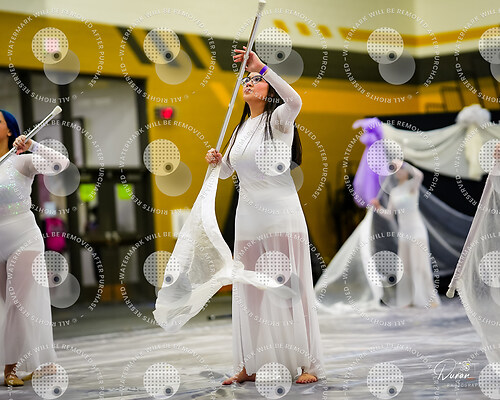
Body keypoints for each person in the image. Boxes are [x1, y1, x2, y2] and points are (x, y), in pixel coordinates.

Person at [206, 48, 323, 385]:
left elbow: (296, 100)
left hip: (281, 215)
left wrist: (262, 67)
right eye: (247, 79)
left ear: (269, 91)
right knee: (250, 293)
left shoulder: (279, 120)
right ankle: (250, 365)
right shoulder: (240, 129)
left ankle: (307, 364)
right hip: (248, 219)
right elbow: (227, 172)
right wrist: (217, 160)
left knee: (289, 288)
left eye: (256, 80)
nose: (249, 82)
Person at [0, 110, 69, 386]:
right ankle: (31, 360)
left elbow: (60, 163)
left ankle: (11, 368)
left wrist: (33, 145)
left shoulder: (22, 161)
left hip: (24, 238)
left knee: (17, 302)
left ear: (9, 130)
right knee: (5, 304)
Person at [371, 162, 440, 308]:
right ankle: (408, 300)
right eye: (397, 170)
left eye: (401, 170)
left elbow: (419, 175)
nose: (399, 172)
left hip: (417, 232)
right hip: (404, 234)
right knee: (406, 268)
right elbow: (390, 215)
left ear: (407, 172)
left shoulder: (412, 186)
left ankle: (427, 298)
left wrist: (403, 163)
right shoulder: (394, 192)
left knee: (419, 266)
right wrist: (378, 207)